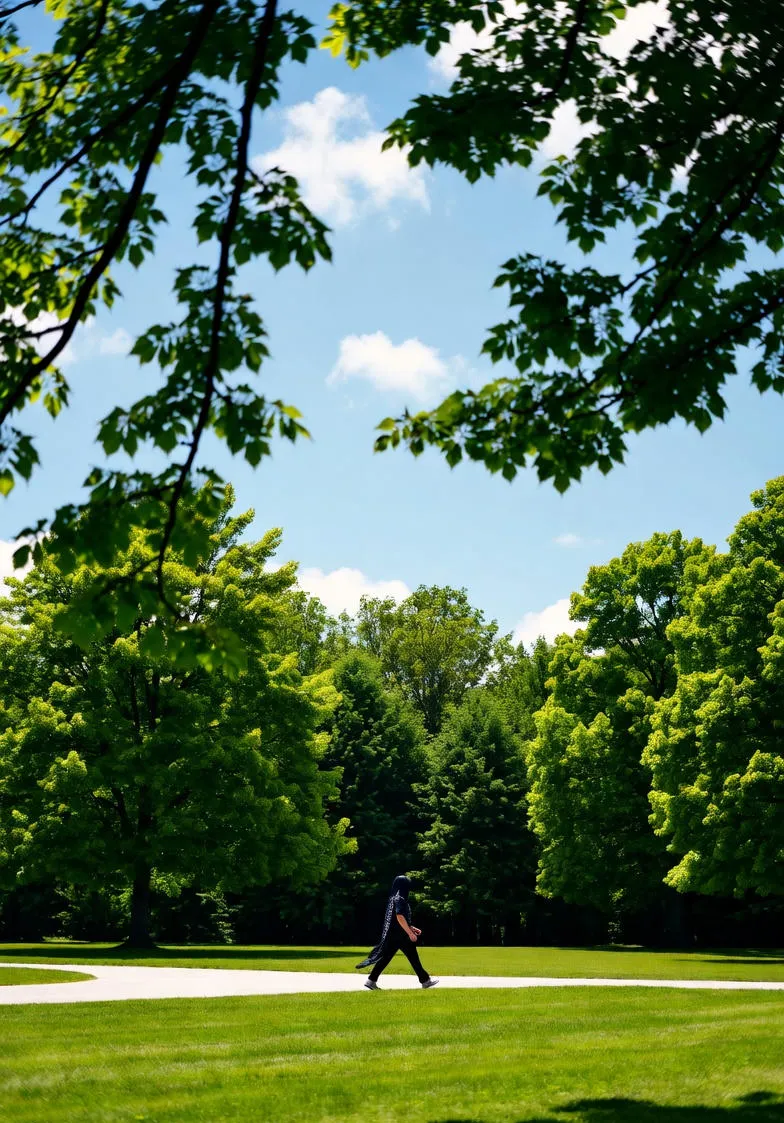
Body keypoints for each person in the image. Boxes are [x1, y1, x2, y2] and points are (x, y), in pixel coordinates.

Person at [356, 874, 439, 990]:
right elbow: (399, 916)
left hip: (393, 934)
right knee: (413, 957)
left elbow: (396, 919)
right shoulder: (400, 898)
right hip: (400, 935)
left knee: (386, 957)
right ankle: (425, 981)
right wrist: (409, 933)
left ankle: (371, 981)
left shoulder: (392, 898)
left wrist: (411, 928)